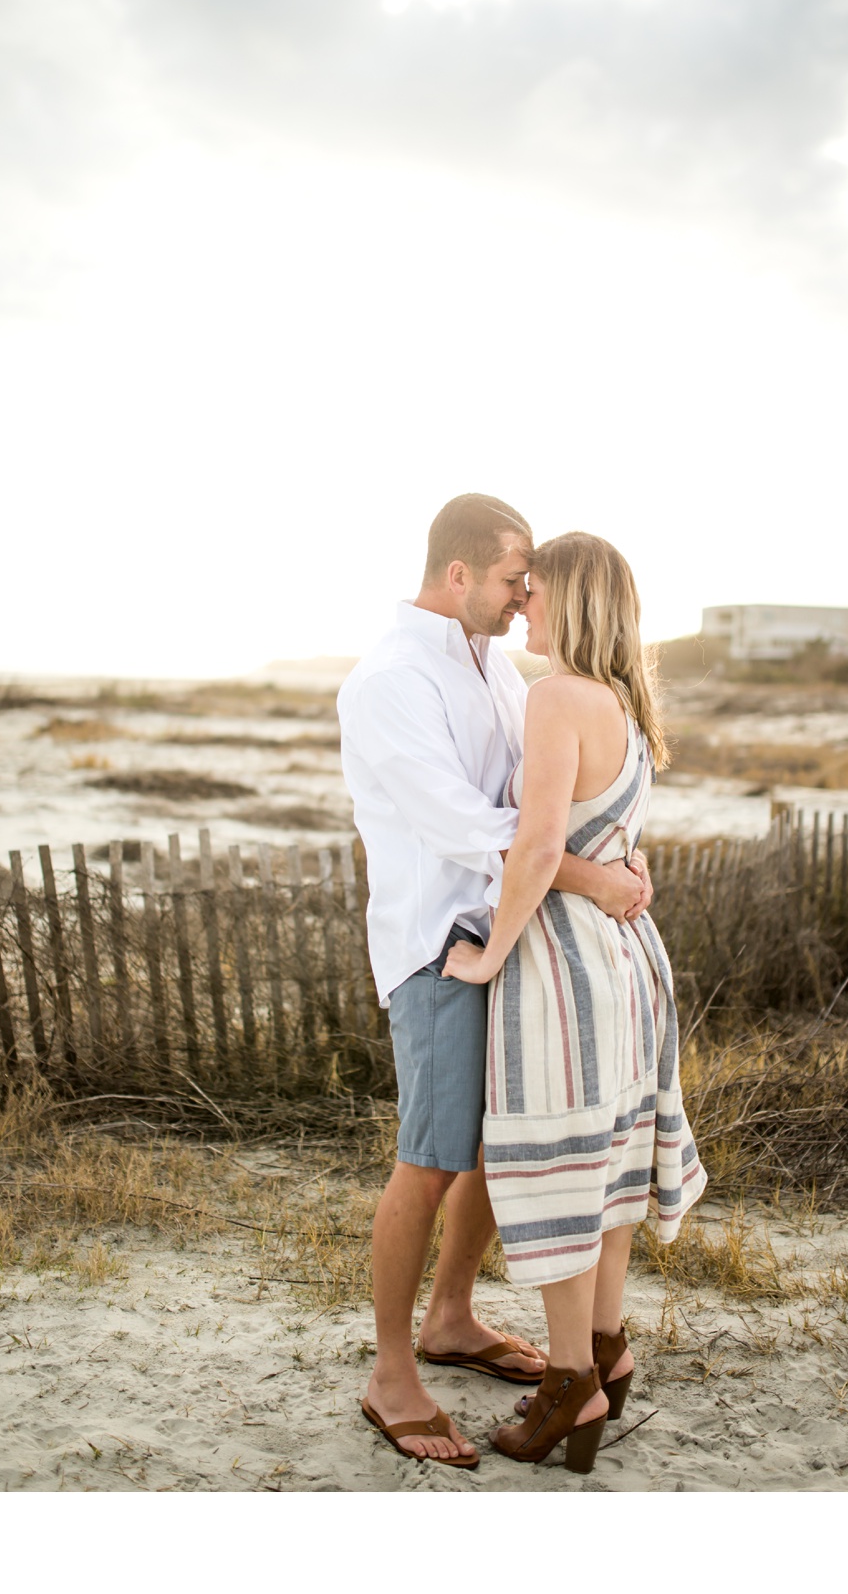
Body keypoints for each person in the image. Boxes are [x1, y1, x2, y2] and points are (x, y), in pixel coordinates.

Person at [340, 494, 654, 1468]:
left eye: (535, 582)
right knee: (430, 1156)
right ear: (460, 573)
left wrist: (602, 852)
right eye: (517, 575)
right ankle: (392, 1371)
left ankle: (452, 1317)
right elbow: (472, 828)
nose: (527, 596)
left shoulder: (504, 671)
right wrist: (595, 875)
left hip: (508, 943)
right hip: (442, 943)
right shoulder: (388, 680)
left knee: (491, 1146)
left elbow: (544, 799)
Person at [444, 531, 707, 1473]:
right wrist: (617, 876)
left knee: (558, 1170)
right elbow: (606, 845)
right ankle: (604, 1348)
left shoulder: (557, 696)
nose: (522, 605)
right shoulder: (624, 706)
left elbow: (541, 849)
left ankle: (569, 1384)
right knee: (607, 1167)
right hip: (630, 966)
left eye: (536, 591)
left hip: (566, 969)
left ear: (575, 600)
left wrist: (490, 956)